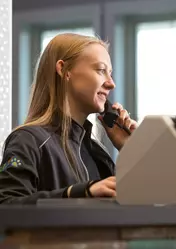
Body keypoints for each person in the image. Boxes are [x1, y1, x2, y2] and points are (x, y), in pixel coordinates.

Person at [0, 33, 137, 204]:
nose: (111, 83)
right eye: (101, 70)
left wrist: (131, 149)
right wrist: (76, 193)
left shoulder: (96, 152)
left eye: (110, 73)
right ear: (64, 70)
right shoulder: (28, 140)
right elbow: (6, 204)